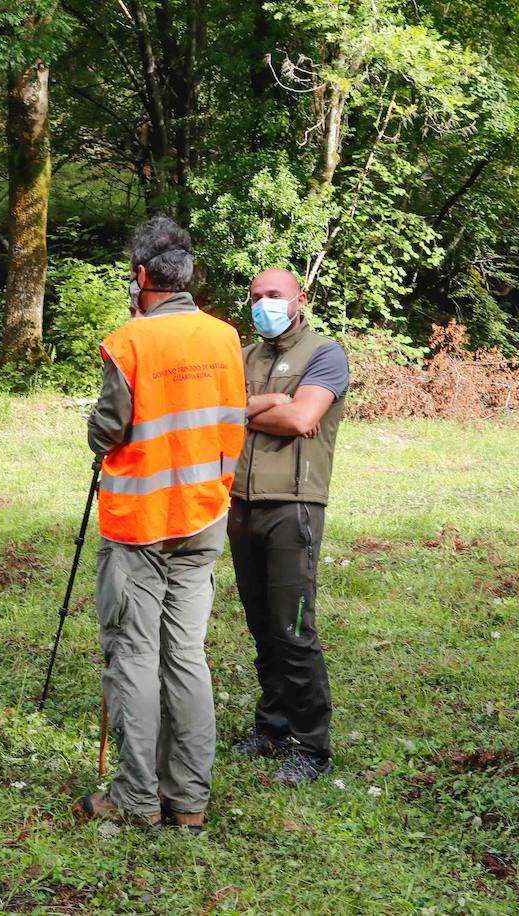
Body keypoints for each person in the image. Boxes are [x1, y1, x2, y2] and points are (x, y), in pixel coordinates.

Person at [74, 216, 246, 831]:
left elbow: (108, 430)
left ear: (141, 275)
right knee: (187, 656)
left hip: (142, 523)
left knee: (135, 655)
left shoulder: (130, 342)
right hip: (205, 515)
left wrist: (93, 431)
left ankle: (137, 799)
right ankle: (189, 801)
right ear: (188, 275)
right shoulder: (226, 338)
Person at [226, 269, 350, 784]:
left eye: (273, 296)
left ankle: (311, 745)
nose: (263, 304)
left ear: (300, 299)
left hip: (293, 506)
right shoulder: (245, 357)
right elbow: (217, 413)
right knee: (261, 625)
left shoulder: (325, 353)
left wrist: (258, 410)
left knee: (293, 627)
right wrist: (272, 402)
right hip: (238, 503)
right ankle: (272, 726)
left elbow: (303, 420)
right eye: (255, 296)